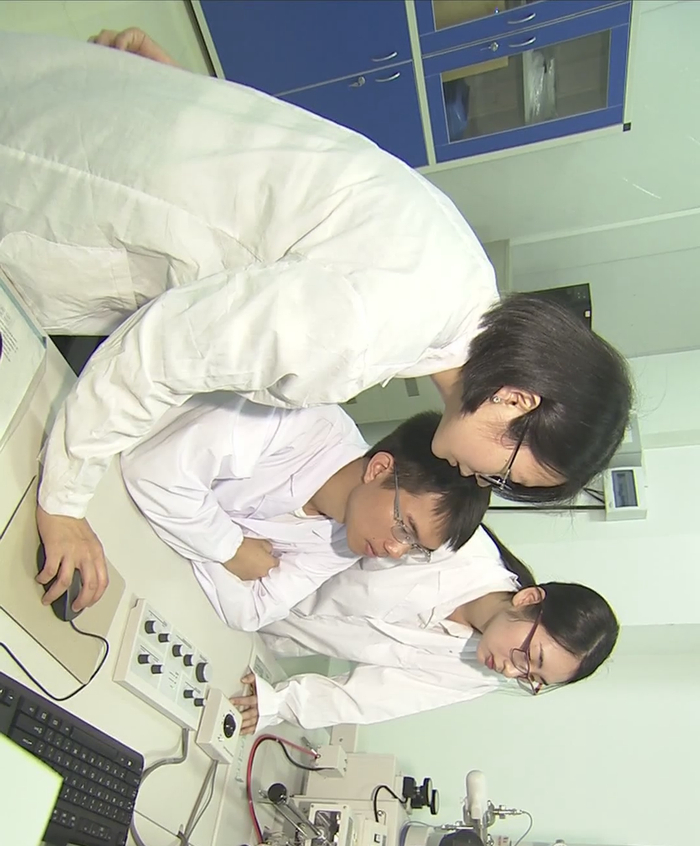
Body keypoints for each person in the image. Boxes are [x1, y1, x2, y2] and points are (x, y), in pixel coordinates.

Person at [0, 30, 632, 610]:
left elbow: (301, 176)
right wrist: (62, 505)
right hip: (63, 181)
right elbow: (161, 353)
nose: (479, 479)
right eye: (503, 471)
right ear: (516, 399)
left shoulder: (463, 276)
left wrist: (190, 102)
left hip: (118, 122)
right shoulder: (367, 332)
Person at [121, 406, 489, 630]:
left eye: (413, 548)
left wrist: (194, 528)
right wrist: (229, 549)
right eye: (405, 529)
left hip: (142, 551)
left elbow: (251, 611)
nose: (395, 551)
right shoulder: (300, 422)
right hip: (112, 461)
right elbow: (153, 471)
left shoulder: (345, 543)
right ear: (379, 469)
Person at [229, 526, 619, 729]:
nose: (511, 671)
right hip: (250, 558)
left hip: (263, 632)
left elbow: (374, 697)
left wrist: (278, 703)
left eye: (531, 678)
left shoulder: (478, 674)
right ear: (529, 600)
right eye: (530, 657)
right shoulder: (457, 546)